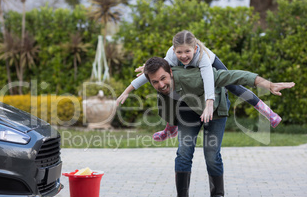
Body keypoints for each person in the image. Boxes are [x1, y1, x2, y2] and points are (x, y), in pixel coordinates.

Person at [142, 56, 295, 197]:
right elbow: (159, 96)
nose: (161, 85)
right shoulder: (159, 81)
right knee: (184, 153)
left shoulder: (196, 76)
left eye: (163, 79)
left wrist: (268, 84)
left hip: (214, 108)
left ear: (171, 72)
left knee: (211, 154)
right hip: (187, 111)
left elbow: (234, 77)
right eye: (155, 82)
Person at [116, 30, 282, 142]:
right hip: (185, 75)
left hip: (212, 64)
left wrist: (209, 102)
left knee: (232, 85)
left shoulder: (202, 57)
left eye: (187, 51)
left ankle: (267, 112)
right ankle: (170, 128)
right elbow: (153, 74)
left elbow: (208, 79)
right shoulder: (171, 56)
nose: (183, 56)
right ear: (174, 50)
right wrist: (127, 91)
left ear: (194, 48)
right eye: (179, 52)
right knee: (166, 88)